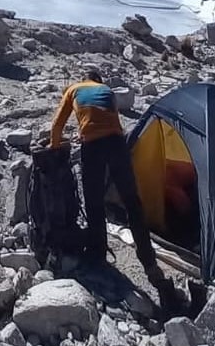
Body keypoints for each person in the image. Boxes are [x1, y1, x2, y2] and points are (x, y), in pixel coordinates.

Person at [50, 69, 177, 303]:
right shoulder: (107, 90)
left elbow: (58, 124)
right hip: (117, 144)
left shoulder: (73, 89)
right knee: (132, 202)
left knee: (93, 200)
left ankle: (98, 253)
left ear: (84, 80)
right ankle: (149, 262)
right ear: (99, 81)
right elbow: (108, 121)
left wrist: (55, 148)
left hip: (93, 147)